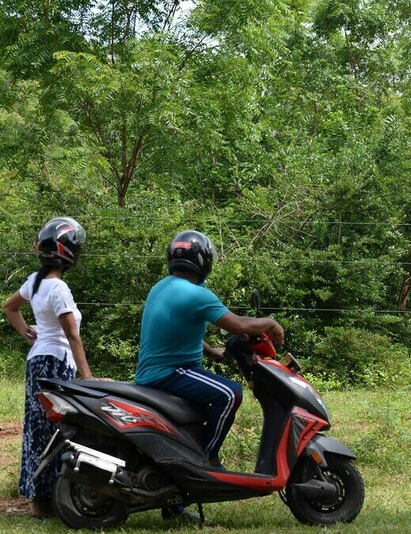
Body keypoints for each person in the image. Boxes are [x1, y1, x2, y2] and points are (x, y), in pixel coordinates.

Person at [135, 230, 284, 470]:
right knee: (229, 394)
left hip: (156, 371)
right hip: (172, 372)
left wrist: (212, 351)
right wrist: (271, 323)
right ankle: (206, 459)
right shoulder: (197, 294)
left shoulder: (161, 287)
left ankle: (179, 486)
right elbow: (238, 324)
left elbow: (176, 329)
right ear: (203, 261)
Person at [3, 216, 100, 518]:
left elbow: (9, 307)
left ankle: (39, 500)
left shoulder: (34, 282)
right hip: (56, 363)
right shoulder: (58, 288)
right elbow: (72, 335)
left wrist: (28, 334)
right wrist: (89, 378)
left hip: (38, 362)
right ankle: (53, 499)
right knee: (59, 430)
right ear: (67, 251)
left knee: (37, 429)